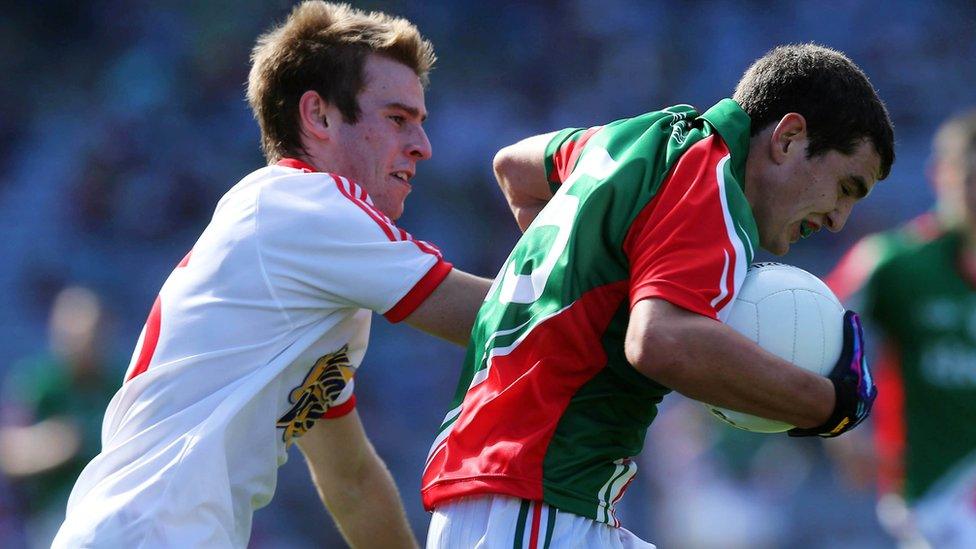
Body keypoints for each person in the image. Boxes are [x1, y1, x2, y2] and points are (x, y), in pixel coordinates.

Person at [53, 2, 495, 547]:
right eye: (397, 119)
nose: (422, 147)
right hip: (150, 533)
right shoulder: (304, 203)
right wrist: (620, 278)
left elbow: (351, 480)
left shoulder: (305, 253)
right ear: (320, 116)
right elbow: (496, 319)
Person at [422, 43, 892, 548]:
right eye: (847, 187)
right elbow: (662, 340)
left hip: (520, 495)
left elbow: (514, 168)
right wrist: (829, 403)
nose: (839, 219)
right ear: (790, 138)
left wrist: (578, 278)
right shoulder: (713, 185)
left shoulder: (632, 140)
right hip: (535, 497)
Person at [825, 110, 976, 548]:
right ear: (940, 177)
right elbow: (812, 325)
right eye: (970, 178)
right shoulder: (894, 263)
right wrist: (842, 427)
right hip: (931, 495)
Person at [0, 286, 120, 546]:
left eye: (93, 333)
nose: (84, 344)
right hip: (54, 515)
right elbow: (8, 453)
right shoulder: (40, 383)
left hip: (111, 509)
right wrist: (50, 445)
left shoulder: (118, 384)